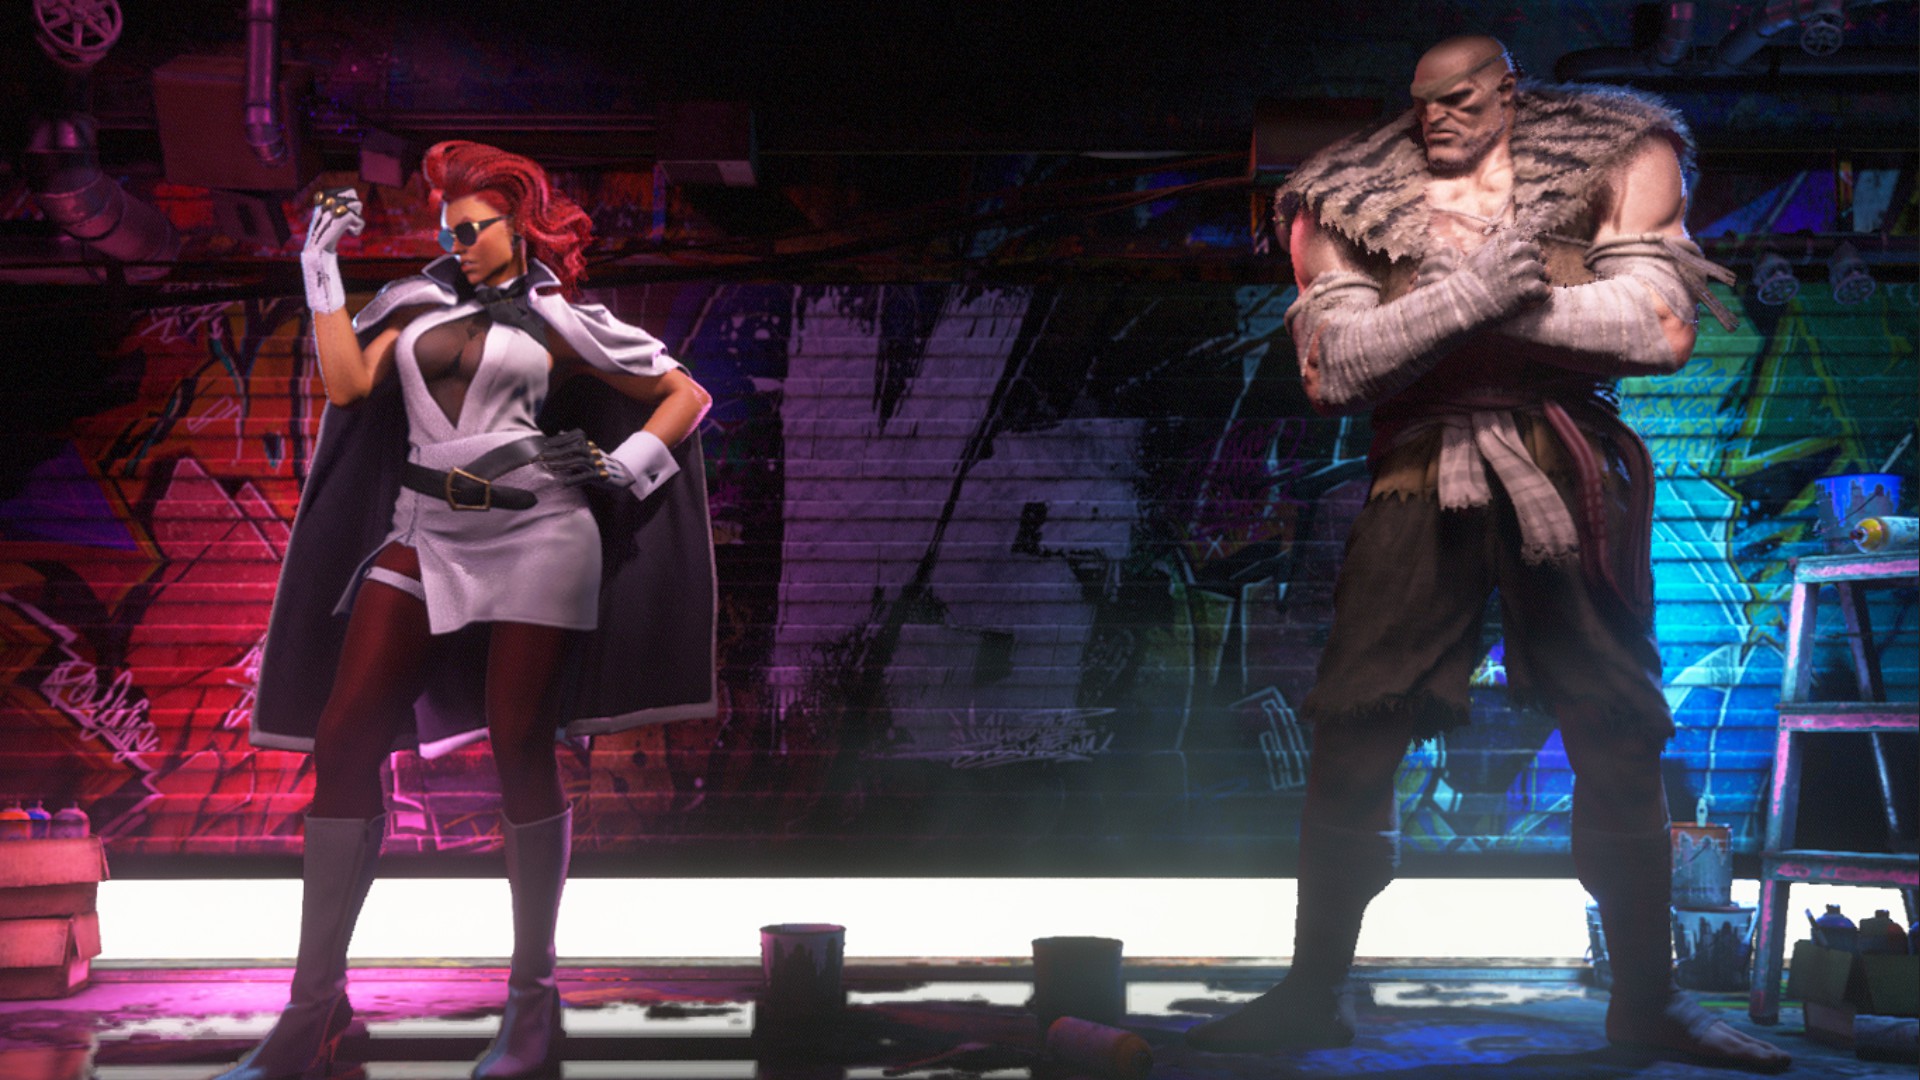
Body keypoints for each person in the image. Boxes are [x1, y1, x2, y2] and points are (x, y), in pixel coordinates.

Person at [1184, 37, 1790, 1072]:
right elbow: (1335, 368)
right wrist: (1472, 299)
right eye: (1423, 101)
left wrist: (1470, 310)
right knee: (1357, 727)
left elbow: (1658, 327)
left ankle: (1648, 1000)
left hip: (1567, 461)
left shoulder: (1617, 153)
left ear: (1508, 92)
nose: (1438, 117)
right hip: (1423, 465)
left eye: (1461, 98)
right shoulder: (1342, 195)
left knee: (1618, 728)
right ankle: (1312, 991)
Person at [218, 141, 717, 1080]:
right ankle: (313, 1011)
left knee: (519, 741)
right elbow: (348, 384)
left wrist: (626, 468)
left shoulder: (563, 319)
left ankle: (533, 1007)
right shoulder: (415, 304)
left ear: (519, 226)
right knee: (345, 737)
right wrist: (319, 269)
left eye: (475, 227)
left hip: (542, 532)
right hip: (425, 528)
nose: (459, 242)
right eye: (449, 229)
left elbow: (682, 394)